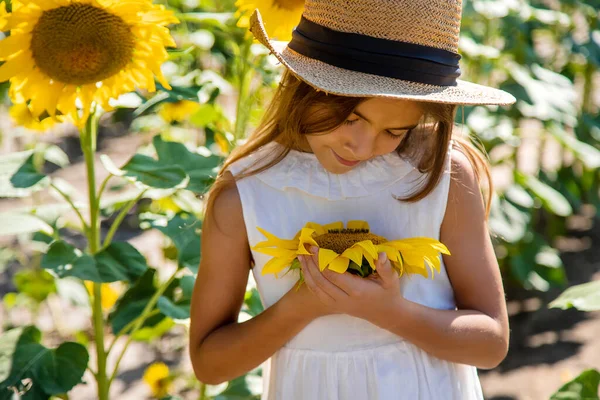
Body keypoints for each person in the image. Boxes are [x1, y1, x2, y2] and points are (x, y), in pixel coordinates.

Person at [189, 0, 515, 398]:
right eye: (350, 118)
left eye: (393, 132)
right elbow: (209, 363)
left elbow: (491, 342)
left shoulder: (439, 175)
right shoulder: (244, 195)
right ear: (301, 85)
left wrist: (389, 312)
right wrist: (302, 306)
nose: (361, 146)